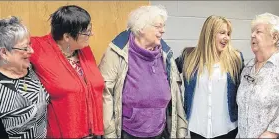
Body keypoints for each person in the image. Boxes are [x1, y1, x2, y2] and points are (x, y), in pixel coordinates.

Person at [99, 5, 188, 139]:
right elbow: (105, 94)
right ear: (141, 28)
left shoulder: (166, 54)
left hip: (160, 130)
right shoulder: (117, 52)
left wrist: (181, 130)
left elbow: (176, 95)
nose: (163, 31)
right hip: (128, 132)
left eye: (163, 26)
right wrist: (109, 133)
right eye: (158, 26)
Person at [30, 5, 104, 138]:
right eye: (85, 32)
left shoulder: (83, 49)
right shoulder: (38, 47)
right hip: (61, 134)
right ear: (67, 37)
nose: (91, 34)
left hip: (92, 133)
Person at [176, 15, 244, 139]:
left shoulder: (236, 58)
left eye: (228, 34)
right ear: (209, 33)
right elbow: (168, 74)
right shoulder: (189, 56)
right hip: (197, 129)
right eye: (222, 32)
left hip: (227, 130)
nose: (226, 38)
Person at [0, 16, 49, 138]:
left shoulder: (30, 67)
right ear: (4, 52)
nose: (31, 51)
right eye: (25, 48)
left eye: (30, 44)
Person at [236, 13, 279, 138]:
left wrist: (273, 131)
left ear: (274, 37)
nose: (252, 35)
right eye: (252, 32)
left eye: (258, 32)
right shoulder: (248, 68)